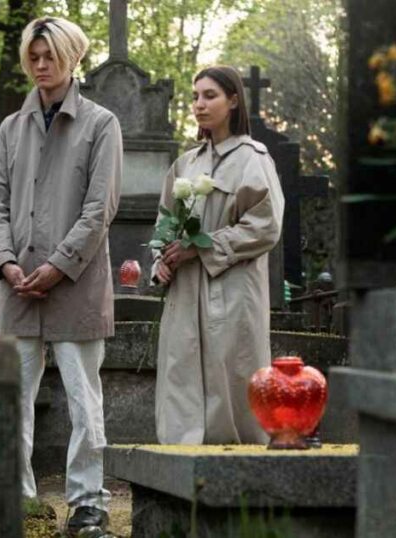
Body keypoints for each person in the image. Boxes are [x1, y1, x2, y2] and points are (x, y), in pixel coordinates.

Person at [0, 16, 122, 533]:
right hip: (17, 284)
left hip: (77, 283)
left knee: (85, 399)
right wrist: (6, 261)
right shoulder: (11, 128)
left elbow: (99, 207)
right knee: (12, 396)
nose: (40, 66)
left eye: (50, 57)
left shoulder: (101, 124)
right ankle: (19, 501)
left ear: (72, 57)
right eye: (33, 57)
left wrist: (57, 266)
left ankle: (87, 504)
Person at [152, 65, 285, 445]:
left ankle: (239, 461)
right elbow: (164, 222)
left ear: (233, 100)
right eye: (195, 97)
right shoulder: (186, 163)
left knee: (233, 373)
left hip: (232, 291)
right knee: (181, 371)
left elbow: (266, 226)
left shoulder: (253, 159)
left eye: (209, 95)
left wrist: (203, 246)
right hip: (184, 293)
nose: (199, 104)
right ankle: (179, 460)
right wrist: (161, 259)